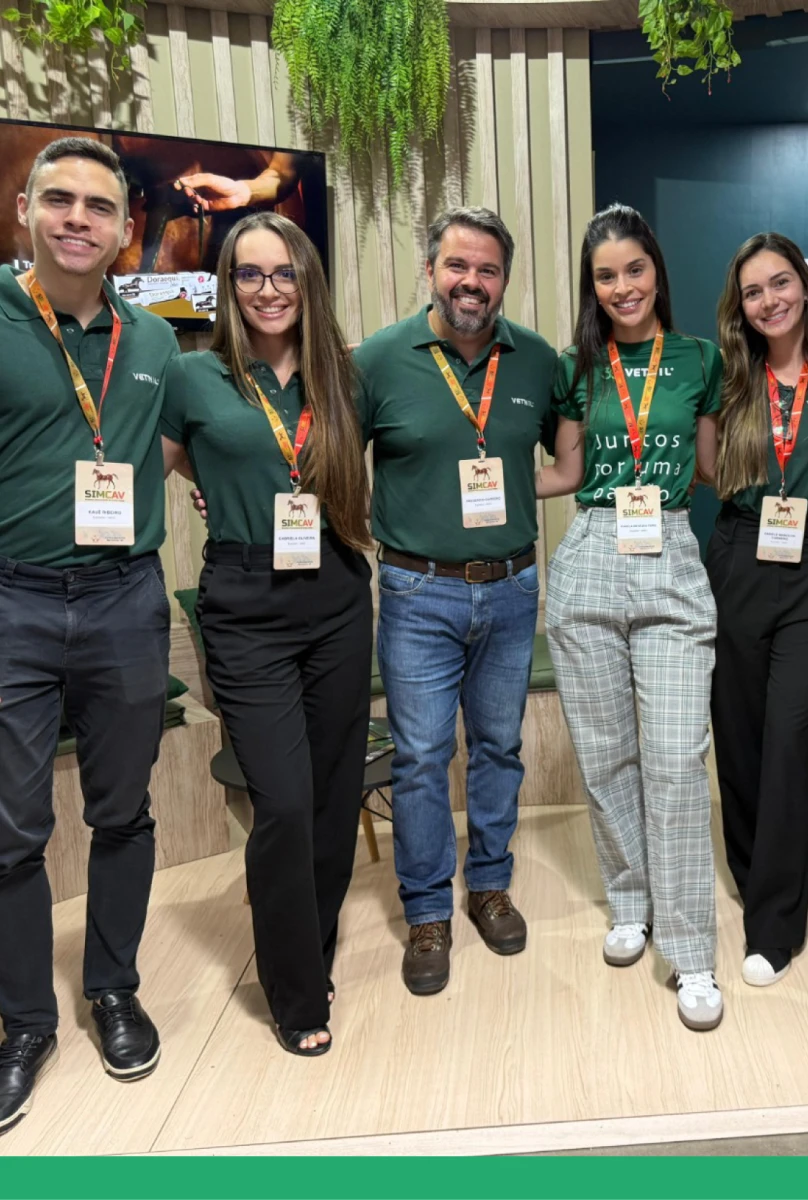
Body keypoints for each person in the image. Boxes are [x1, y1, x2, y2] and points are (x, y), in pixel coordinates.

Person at [161, 212, 373, 1056]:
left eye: (283, 272)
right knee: (281, 800)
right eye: (248, 274)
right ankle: (294, 991)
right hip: (246, 602)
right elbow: (171, 458)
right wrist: (219, 486)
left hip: (336, 589)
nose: (268, 289)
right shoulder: (193, 374)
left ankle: (310, 948)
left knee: (332, 791)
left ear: (307, 280)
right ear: (228, 285)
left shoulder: (343, 375)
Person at [0, 138, 179, 1133]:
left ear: (123, 231)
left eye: (99, 207)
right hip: (13, 603)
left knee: (124, 811)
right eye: (59, 200)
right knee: (11, 828)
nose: (78, 219)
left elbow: (190, 445)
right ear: (25, 211)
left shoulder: (151, 340)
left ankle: (112, 988)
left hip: (125, 600)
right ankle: (25, 1023)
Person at [355, 208, 557, 997]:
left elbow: (574, 453)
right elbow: (322, 455)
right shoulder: (378, 360)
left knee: (500, 748)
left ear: (505, 278)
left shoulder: (536, 360)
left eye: (488, 269)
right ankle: (428, 910)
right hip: (417, 592)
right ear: (431, 270)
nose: (472, 282)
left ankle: (490, 885)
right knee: (421, 758)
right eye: (457, 266)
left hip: (512, 588)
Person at [538, 204, 724, 1031]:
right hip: (590, 551)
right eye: (606, 276)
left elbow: (712, 466)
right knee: (607, 755)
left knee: (677, 761)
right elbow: (564, 472)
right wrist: (459, 480)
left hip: (672, 552)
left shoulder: (700, 359)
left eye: (634, 269)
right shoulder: (577, 366)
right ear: (593, 286)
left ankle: (690, 950)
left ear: (657, 270)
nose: (622, 287)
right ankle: (630, 901)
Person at [707, 233, 808, 987]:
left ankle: (772, 926)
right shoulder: (728, 378)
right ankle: (753, 871)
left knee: (789, 737)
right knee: (739, 737)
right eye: (753, 292)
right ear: (739, 307)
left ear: (805, 284)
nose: (769, 300)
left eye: (780, 283)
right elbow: (703, 468)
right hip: (739, 555)